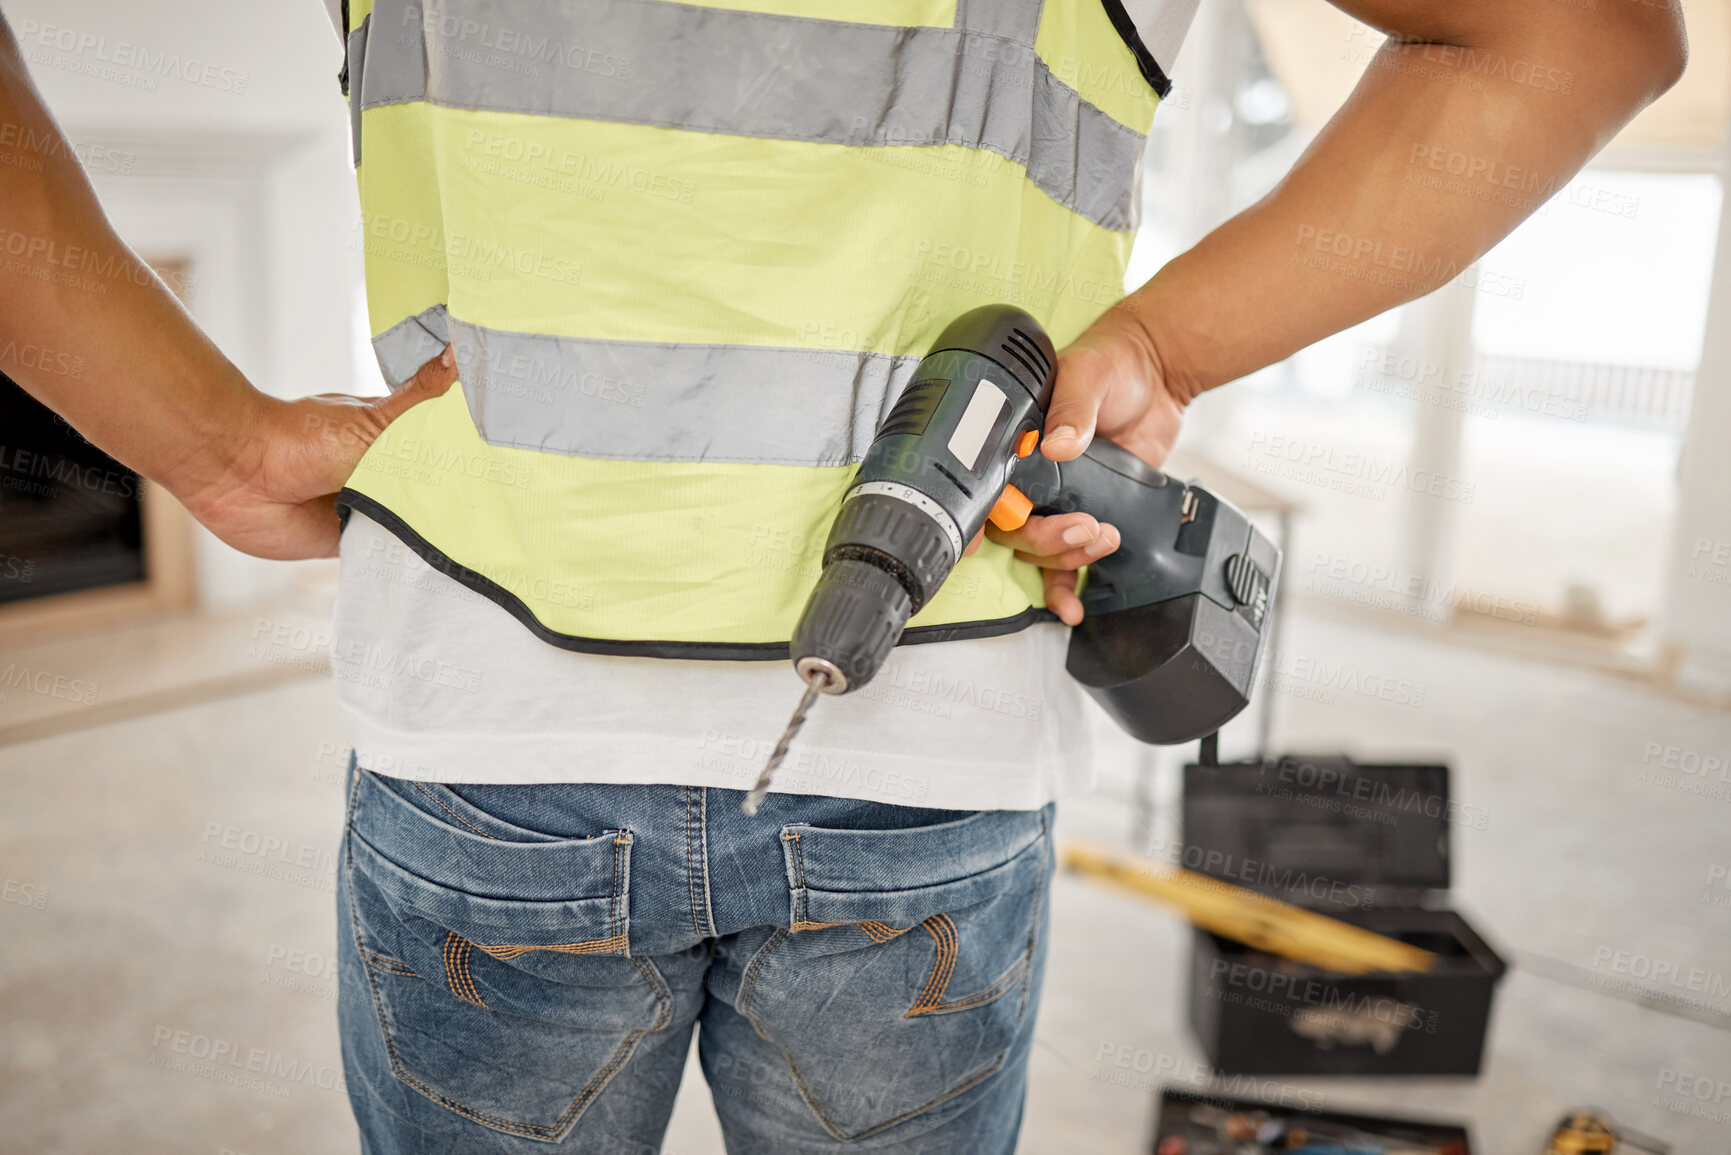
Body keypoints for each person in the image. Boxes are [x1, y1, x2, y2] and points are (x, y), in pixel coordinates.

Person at [0, 1, 1684, 1151]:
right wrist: (1164, 338)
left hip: (487, 735)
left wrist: (211, 445)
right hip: (925, 764)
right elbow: (1581, 35)